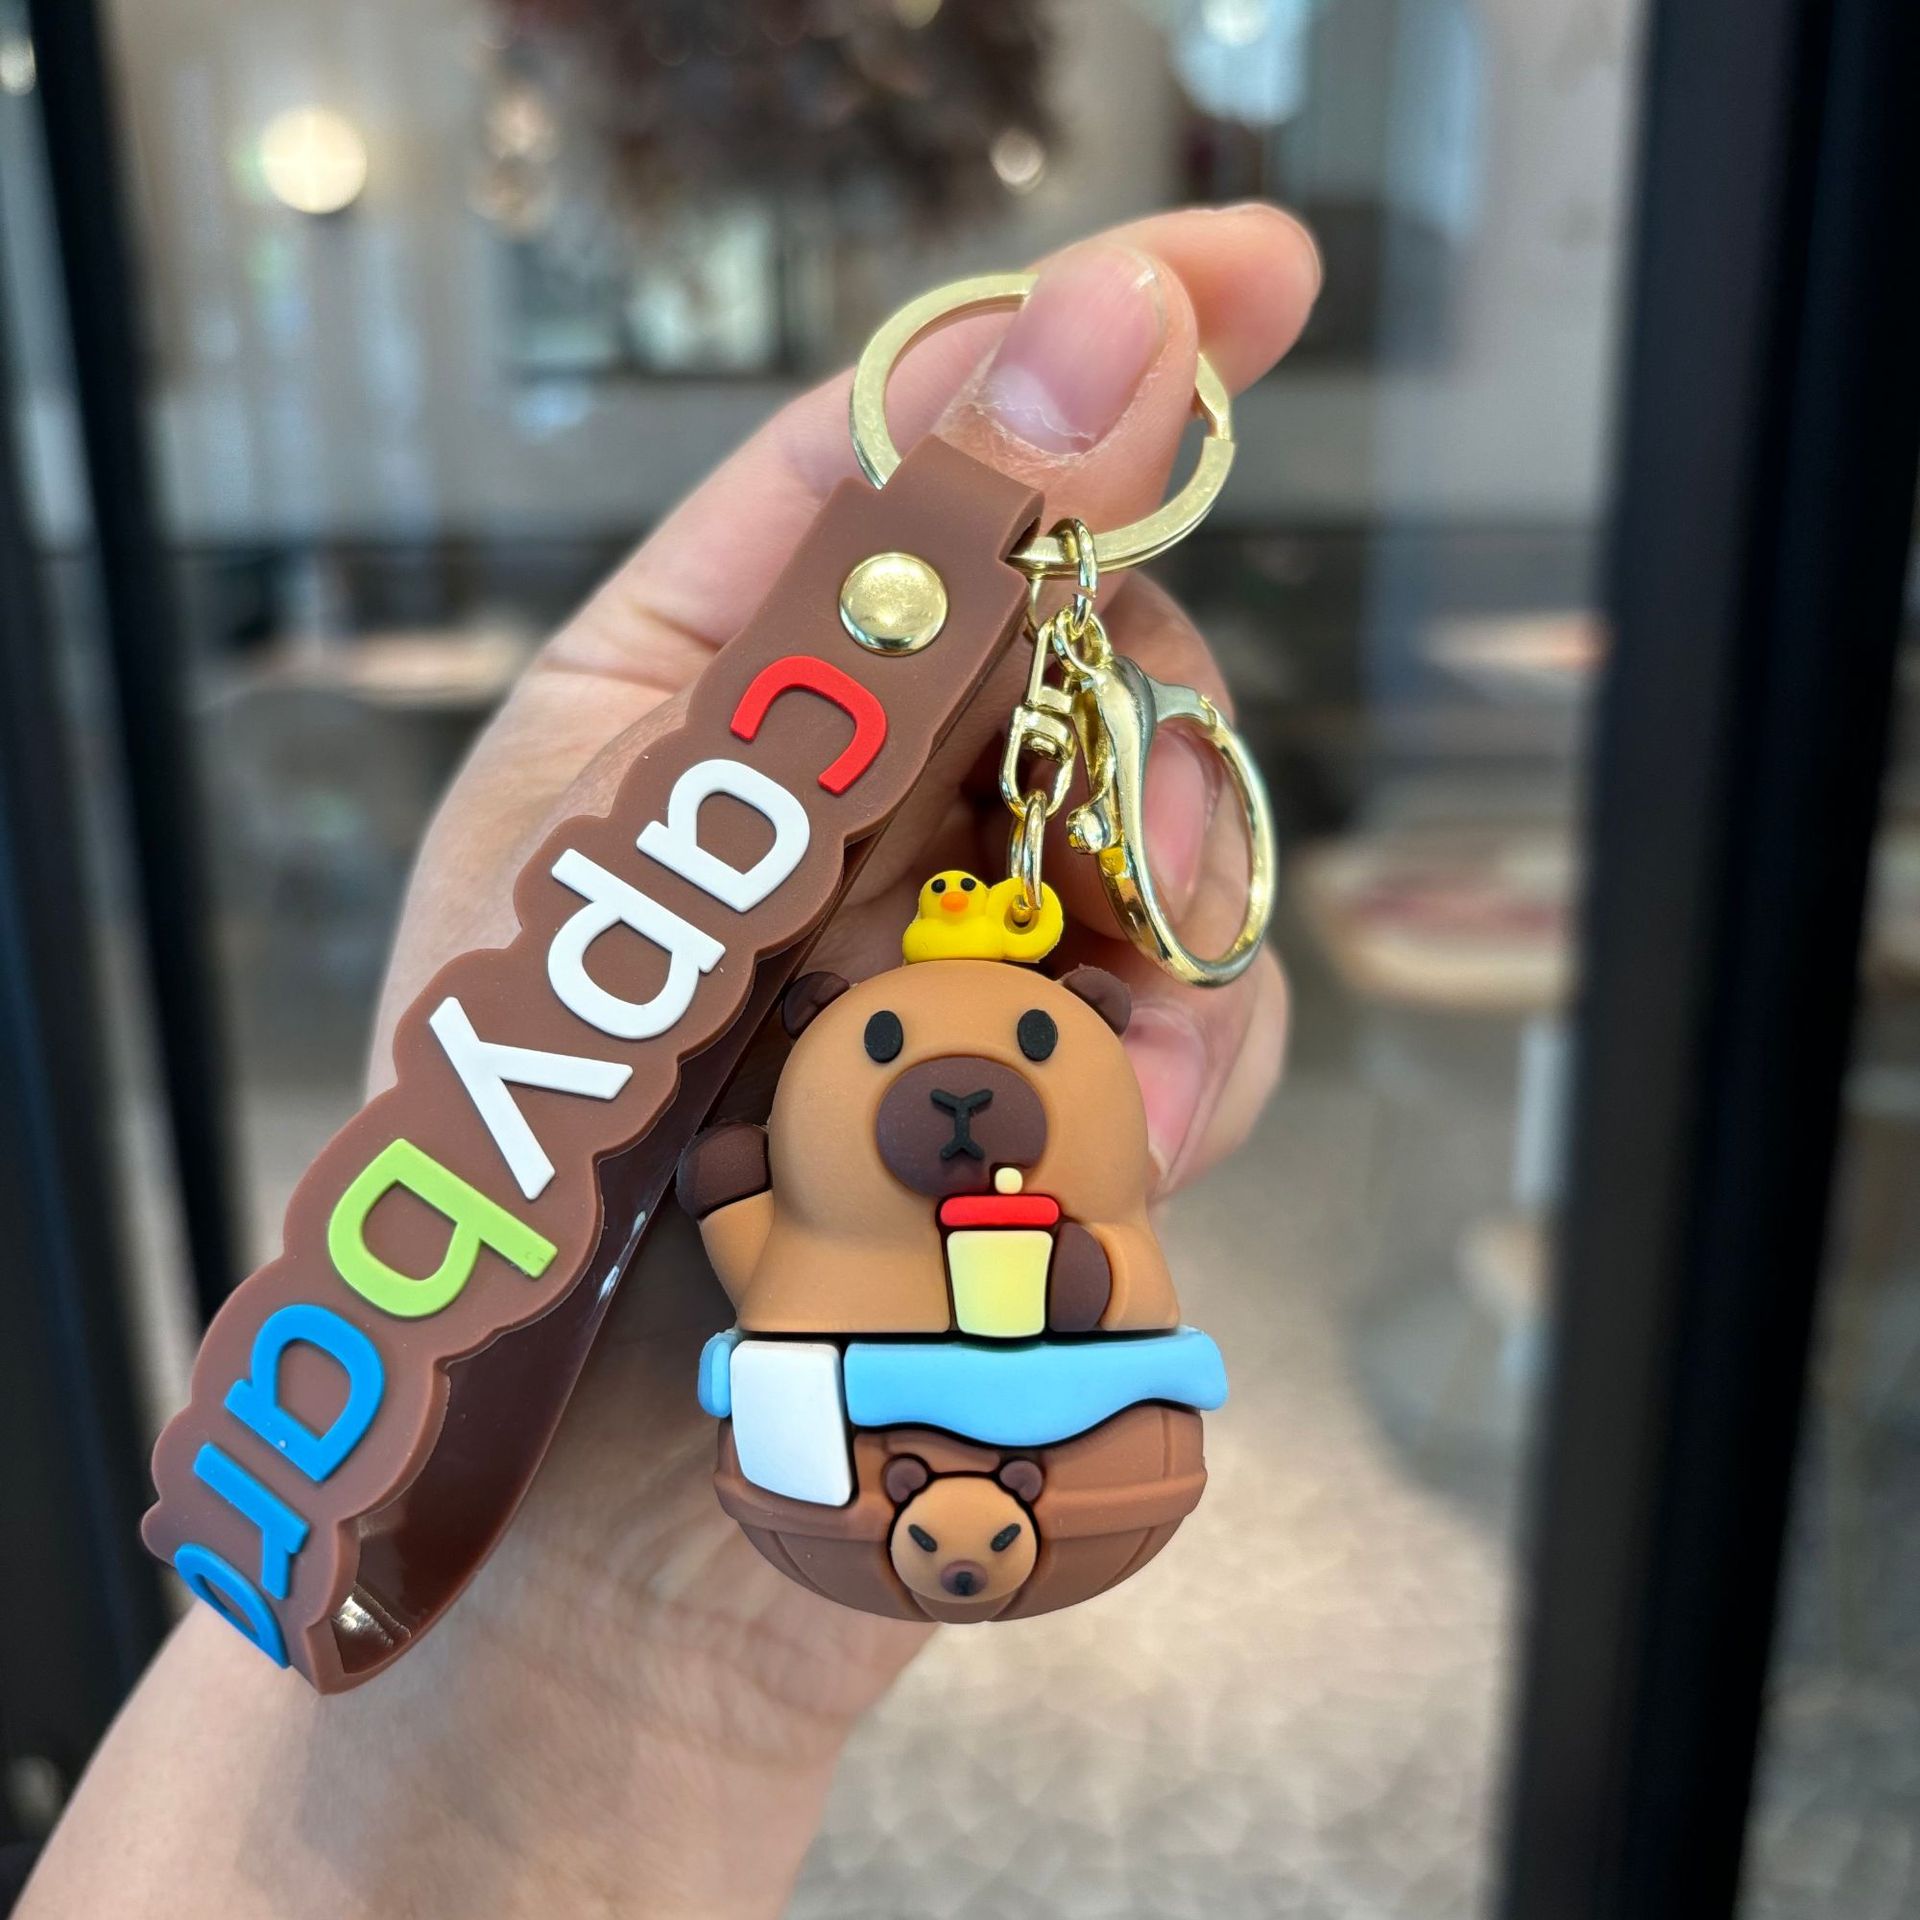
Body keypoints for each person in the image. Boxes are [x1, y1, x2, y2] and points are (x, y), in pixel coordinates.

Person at [17, 203, 1317, 1920]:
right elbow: (748, 1220)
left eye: (1034, 1040)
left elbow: (849, 1228)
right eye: (872, 1042)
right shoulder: (783, 1173)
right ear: (808, 1044)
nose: (963, 1094)